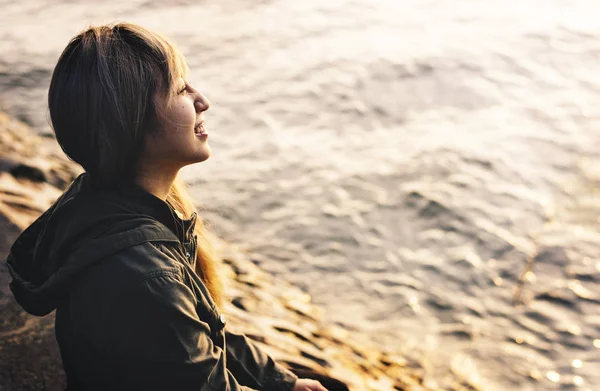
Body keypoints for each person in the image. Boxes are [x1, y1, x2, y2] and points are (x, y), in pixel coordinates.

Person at [6, 22, 328, 391]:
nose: (203, 101)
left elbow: (202, 333)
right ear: (131, 119)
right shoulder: (144, 274)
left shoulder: (110, 203)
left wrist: (283, 383)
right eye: (181, 90)